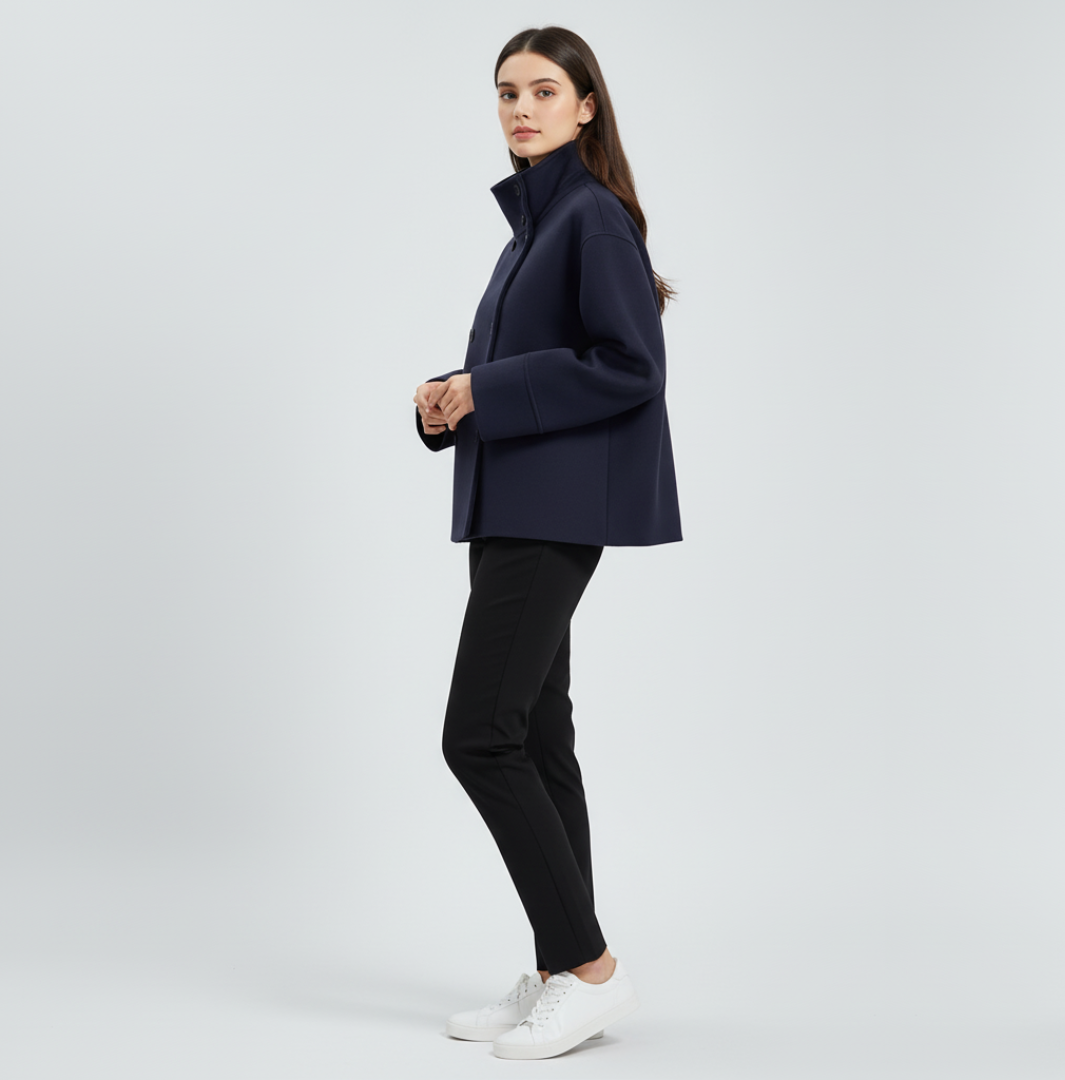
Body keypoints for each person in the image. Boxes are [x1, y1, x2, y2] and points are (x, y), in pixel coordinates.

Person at [412, 26, 682, 1061]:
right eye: (506, 93)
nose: (521, 109)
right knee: (530, 735)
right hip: (515, 501)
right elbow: (532, 367)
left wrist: (487, 388)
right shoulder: (534, 225)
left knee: (478, 737)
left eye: (543, 91)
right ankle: (564, 971)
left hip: (554, 510)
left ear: (586, 106)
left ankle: (592, 968)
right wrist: (452, 396)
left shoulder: (591, 218)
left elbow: (631, 366)